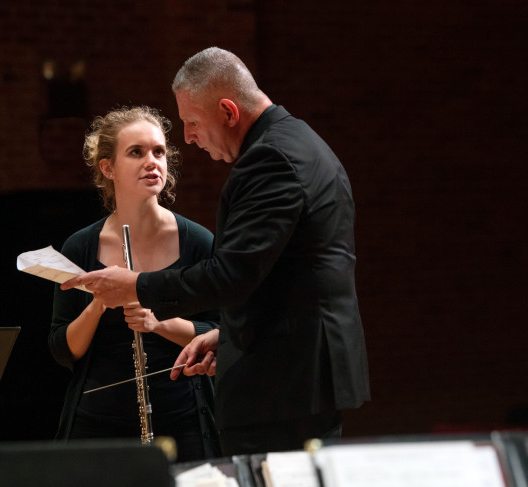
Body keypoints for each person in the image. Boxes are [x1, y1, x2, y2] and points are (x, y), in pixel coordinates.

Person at [61, 47, 370, 455]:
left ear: (228, 111)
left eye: (192, 123)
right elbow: (283, 276)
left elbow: (230, 275)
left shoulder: (269, 159)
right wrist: (227, 337)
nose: (187, 138)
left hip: (284, 381)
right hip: (298, 372)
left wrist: (136, 286)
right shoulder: (301, 142)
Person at [49, 106, 221, 461]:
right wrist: (99, 302)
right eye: (136, 152)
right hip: (97, 425)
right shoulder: (80, 247)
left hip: (182, 419)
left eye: (159, 151)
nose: (152, 161)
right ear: (108, 168)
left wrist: (158, 324)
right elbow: (63, 349)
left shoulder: (199, 242)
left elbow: (223, 332)